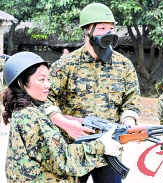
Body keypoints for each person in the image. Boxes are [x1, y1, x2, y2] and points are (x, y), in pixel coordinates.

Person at [42, 3, 141, 183]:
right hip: (73, 150)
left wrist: (129, 123)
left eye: (111, 28)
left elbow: (131, 101)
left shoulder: (123, 65)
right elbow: (43, 100)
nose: (108, 33)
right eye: (101, 28)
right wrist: (65, 123)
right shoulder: (65, 65)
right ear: (86, 32)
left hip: (109, 150)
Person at [2, 52, 122, 182]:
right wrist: (102, 145)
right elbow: (62, 160)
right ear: (21, 83)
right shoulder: (31, 116)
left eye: (48, 79)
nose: (48, 85)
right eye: (41, 79)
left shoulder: (26, 111)